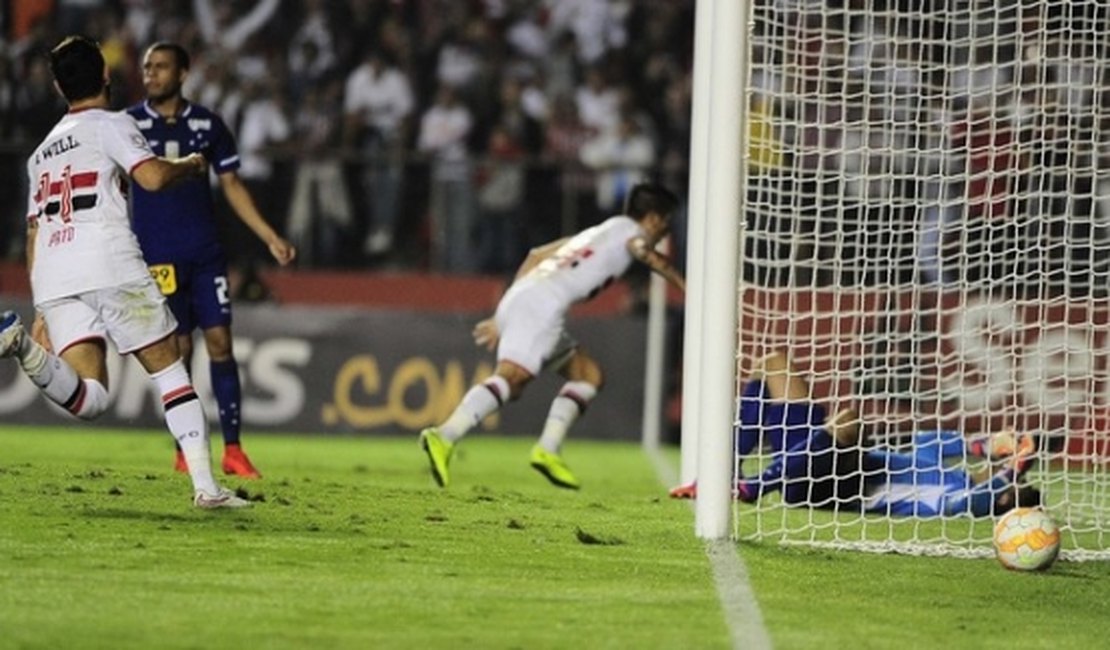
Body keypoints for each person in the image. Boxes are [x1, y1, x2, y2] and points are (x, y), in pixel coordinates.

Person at [1, 35, 247, 509]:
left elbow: (34, 233)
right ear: (107, 76)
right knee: (172, 373)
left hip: (54, 274)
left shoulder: (40, 154)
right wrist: (190, 165)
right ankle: (207, 489)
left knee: (92, 400)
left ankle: (23, 350)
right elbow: (151, 177)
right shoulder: (112, 124)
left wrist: (40, 311)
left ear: (57, 87)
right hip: (108, 261)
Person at [419, 182, 686, 489]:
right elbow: (643, 252)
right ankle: (445, 435)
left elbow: (535, 256)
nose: (665, 232)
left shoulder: (597, 232)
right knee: (512, 378)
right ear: (653, 218)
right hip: (542, 306)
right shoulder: (632, 235)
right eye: (665, 223)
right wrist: (684, 283)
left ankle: (548, 449)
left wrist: (503, 312)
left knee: (589, 375)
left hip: (524, 294)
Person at [126, 42, 297, 479]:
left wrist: (269, 236)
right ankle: (186, 447)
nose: (151, 74)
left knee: (221, 343)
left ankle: (234, 449)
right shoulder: (128, 124)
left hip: (204, 253)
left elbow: (233, 185)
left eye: (161, 67)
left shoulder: (208, 124)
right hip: (158, 255)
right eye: (147, 67)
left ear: (183, 72)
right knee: (178, 351)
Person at [669, 351, 1040, 517]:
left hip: (828, 488)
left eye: (1005, 481)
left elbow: (971, 504)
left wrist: (1012, 472)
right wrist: (987, 446)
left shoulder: (951, 496)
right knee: (772, 363)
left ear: (1002, 494)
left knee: (849, 423)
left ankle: (751, 486)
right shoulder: (947, 470)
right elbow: (928, 441)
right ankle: (726, 474)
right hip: (812, 456)